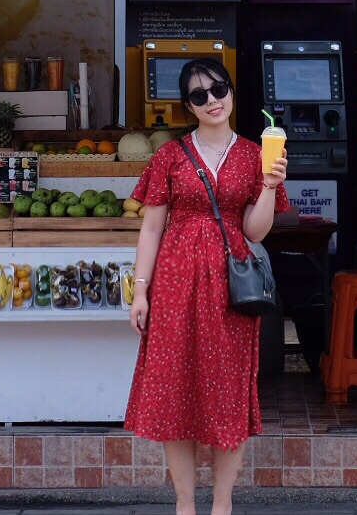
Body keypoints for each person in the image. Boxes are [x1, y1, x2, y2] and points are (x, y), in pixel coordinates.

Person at [125, 57, 290, 515]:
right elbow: (151, 228)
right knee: (173, 392)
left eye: (219, 90)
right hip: (175, 286)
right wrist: (140, 290)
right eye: (199, 95)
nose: (212, 100)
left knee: (226, 395)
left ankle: (221, 505)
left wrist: (271, 187)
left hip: (231, 290)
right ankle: (184, 506)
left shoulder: (257, 154)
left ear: (232, 93)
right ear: (188, 105)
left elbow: (255, 232)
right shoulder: (169, 156)